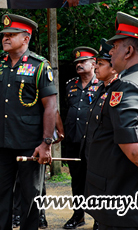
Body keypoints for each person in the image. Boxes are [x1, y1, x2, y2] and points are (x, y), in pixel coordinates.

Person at [85, 12, 138, 228]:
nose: (111, 51)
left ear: (129, 50)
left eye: (116, 45)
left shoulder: (128, 87)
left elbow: (134, 148)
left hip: (129, 206)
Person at [0, 14, 58, 230]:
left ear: (26, 38)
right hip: (3, 143)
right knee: (0, 196)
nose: (5, 38)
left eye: (11, 35)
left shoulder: (39, 66)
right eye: (4, 35)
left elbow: (50, 106)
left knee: (30, 196)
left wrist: (46, 143)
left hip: (30, 144)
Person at [80, 39, 118, 230]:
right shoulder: (100, 89)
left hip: (108, 160)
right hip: (93, 156)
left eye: (101, 64)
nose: (96, 67)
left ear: (114, 68)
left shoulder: (118, 90)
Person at [62, 46, 100, 229]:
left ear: (94, 63)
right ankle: (78, 215)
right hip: (74, 140)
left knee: (96, 179)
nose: (78, 64)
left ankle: (99, 219)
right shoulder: (70, 84)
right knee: (76, 179)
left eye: (82, 61)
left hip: (94, 142)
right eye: (76, 62)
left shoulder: (102, 84)